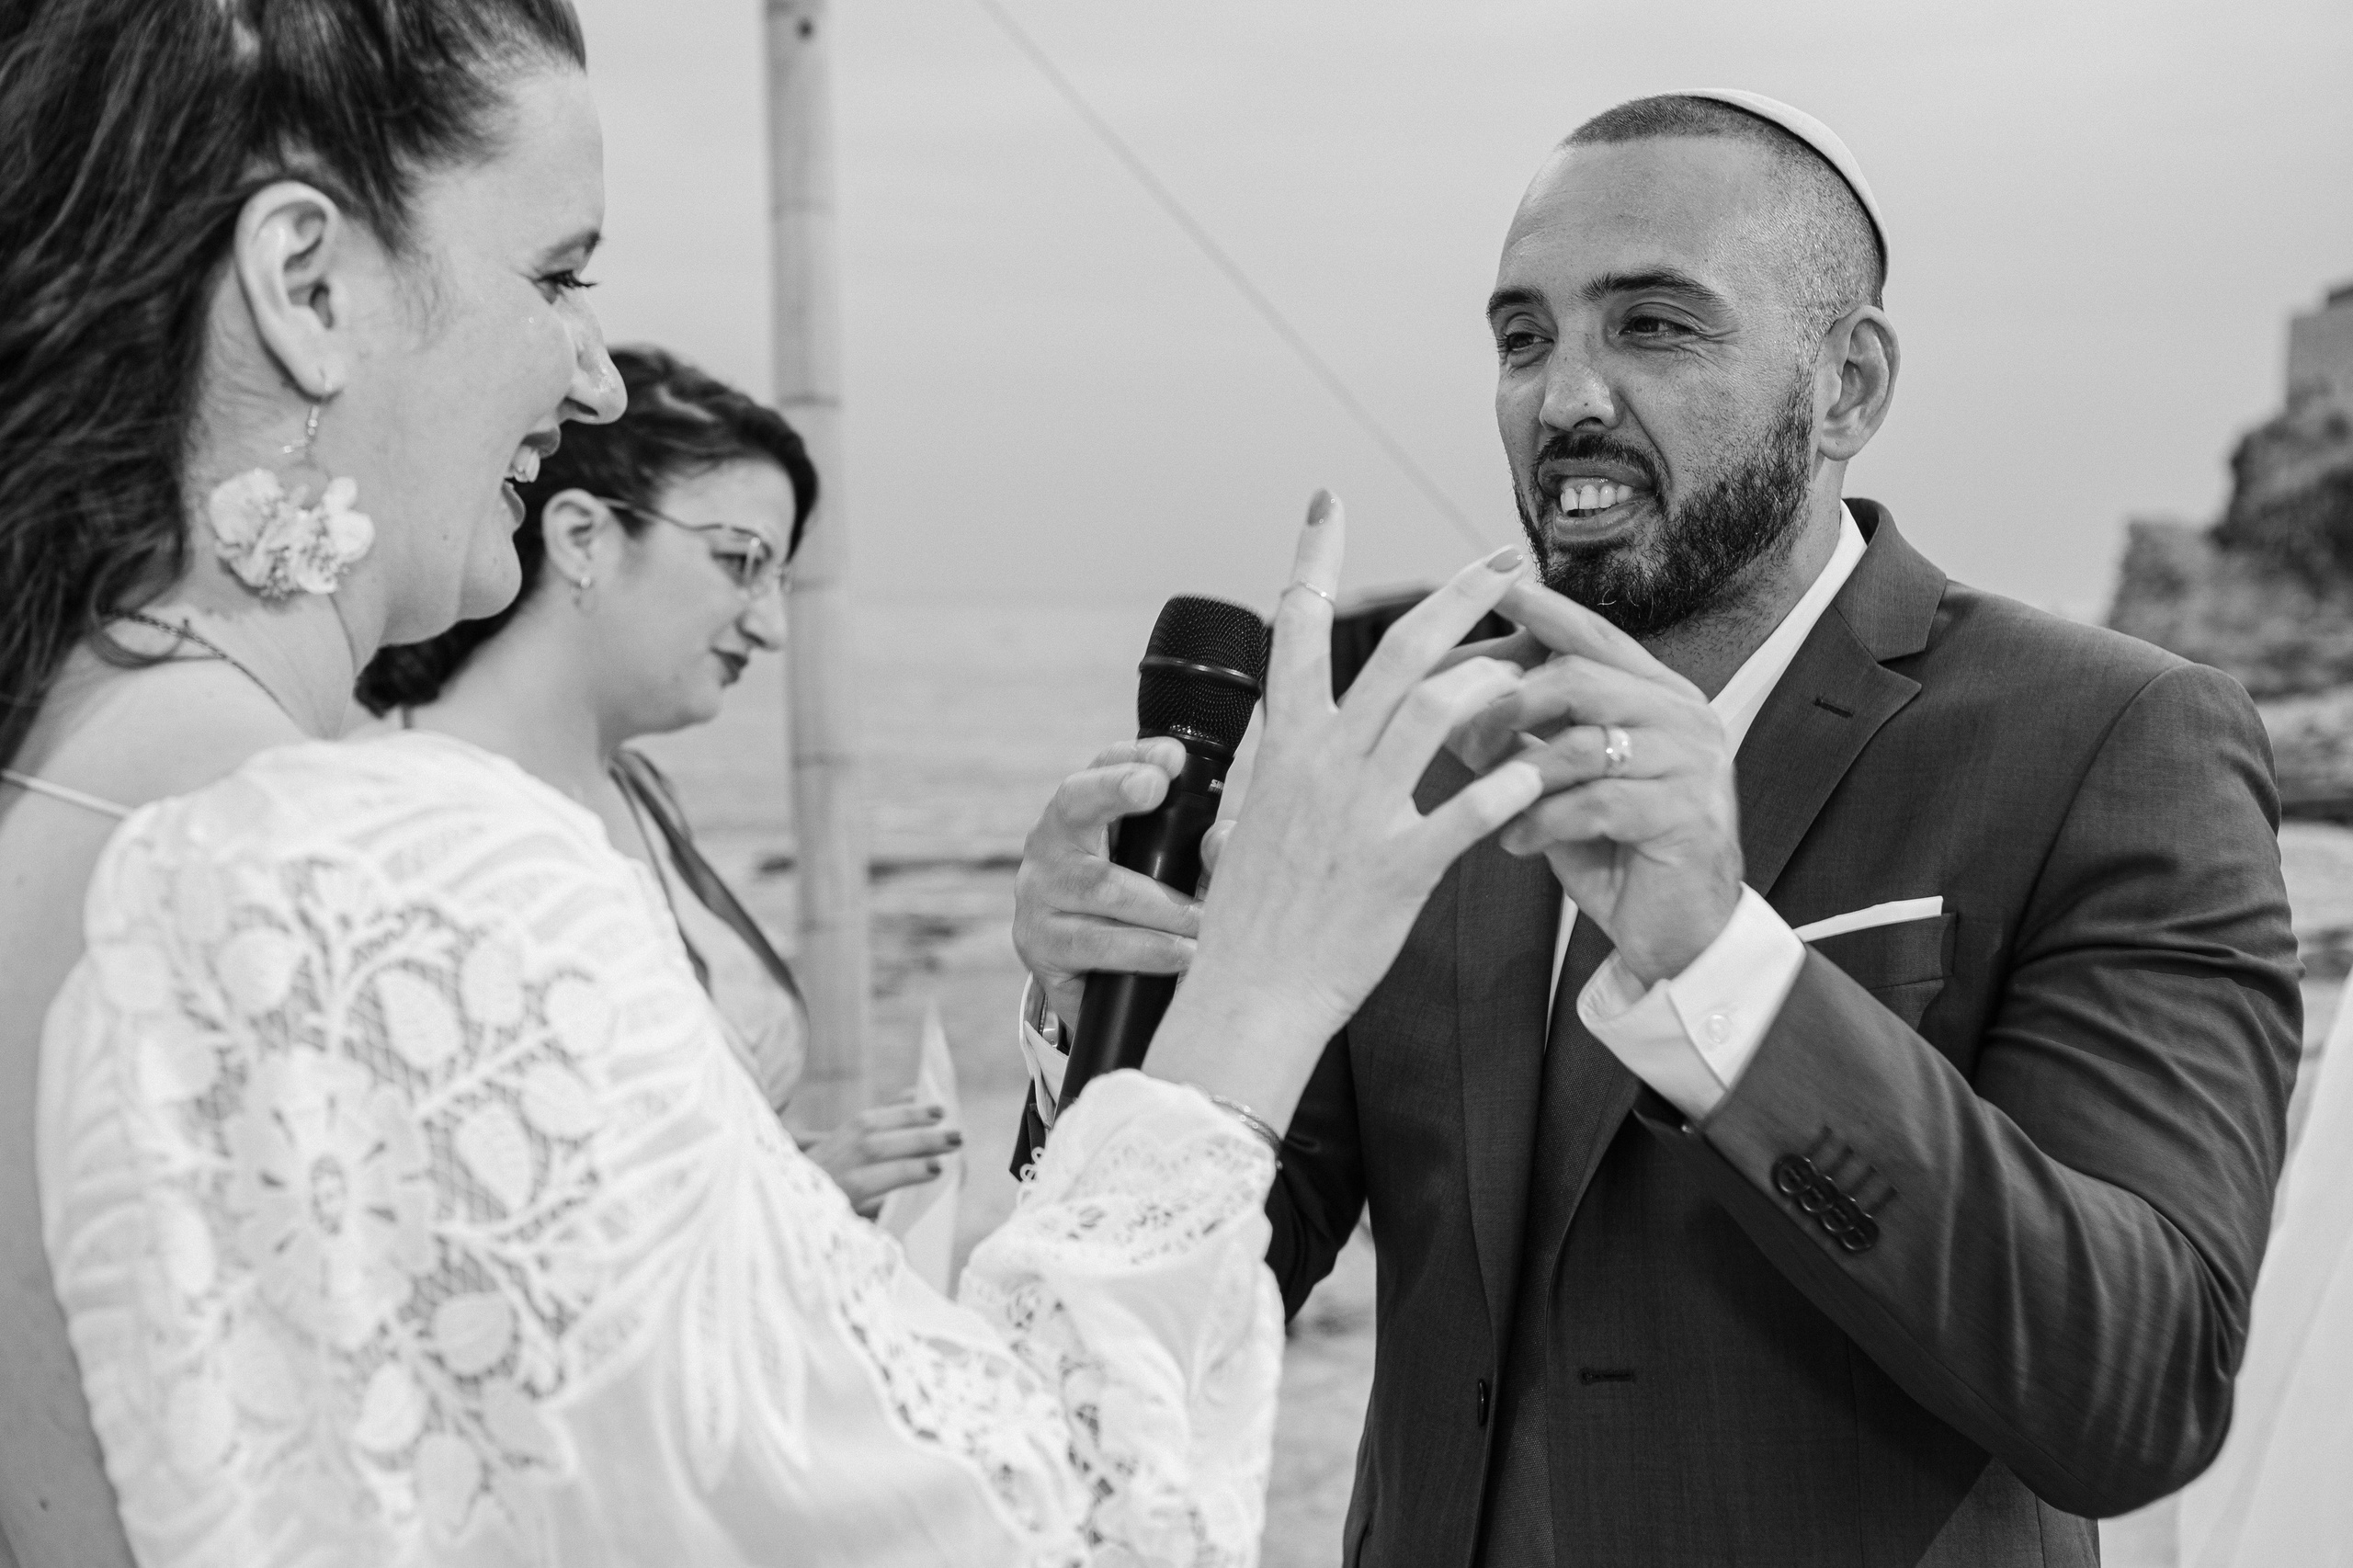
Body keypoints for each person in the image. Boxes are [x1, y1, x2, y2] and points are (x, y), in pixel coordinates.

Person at [0, 7, 1552, 1564]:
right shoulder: (399, 878)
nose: (596, 378)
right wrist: (1261, 993)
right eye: (557, 274)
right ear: (307, 285)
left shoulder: (58, 800)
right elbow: (1035, 1531)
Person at [1010, 93, 2302, 1566]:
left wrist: (1724, 965)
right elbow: (1225, 1268)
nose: (1563, 398)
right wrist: (1104, 1021)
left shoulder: (2109, 739)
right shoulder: (1430, 755)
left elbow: (2134, 1390)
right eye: (1521, 337)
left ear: (1849, 386)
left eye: (1654, 328)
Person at [356, 344, 957, 1217]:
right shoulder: (409, 821)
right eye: (742, 561)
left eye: (781, 579)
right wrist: (793, 1202)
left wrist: (796, 1175)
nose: (772, 627)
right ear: (583, 536)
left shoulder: (639, 792)